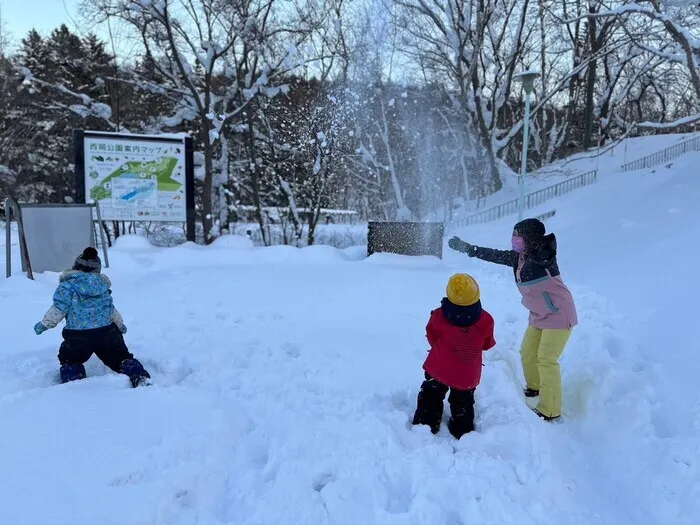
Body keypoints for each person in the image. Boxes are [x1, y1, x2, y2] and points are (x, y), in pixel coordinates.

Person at [447, 218, 577, 421]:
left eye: (519, 235)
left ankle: (550, 409)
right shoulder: (519, 258)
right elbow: (494, 255)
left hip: (559, 313)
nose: (514, 239)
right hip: (538, 314)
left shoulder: (544, 256)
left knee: (546, 360)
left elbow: (546, 253)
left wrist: (540, 246)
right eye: (514, 234)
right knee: (527, 352)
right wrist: (468, 248)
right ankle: (534, 387)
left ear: (531, 239)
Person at [33, 247, 151, 388]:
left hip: (78, 336)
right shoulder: (102, 286)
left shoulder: (67, 286)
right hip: (107, 333)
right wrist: (120, 325)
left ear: (75, 267)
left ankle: (73, 382)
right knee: (121, 357)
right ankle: (139, 376)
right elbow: (110, 310)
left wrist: (45, 324)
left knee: (70, 358)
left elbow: (59, 308)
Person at [412, 273, 496, 439]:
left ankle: (426, 422)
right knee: (463, 401)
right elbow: (487, 344)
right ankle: (462, 429)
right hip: (466, 374)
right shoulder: (486, 320)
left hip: (439, 368)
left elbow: (432, 336)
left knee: (431, 394)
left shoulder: (438, 316)